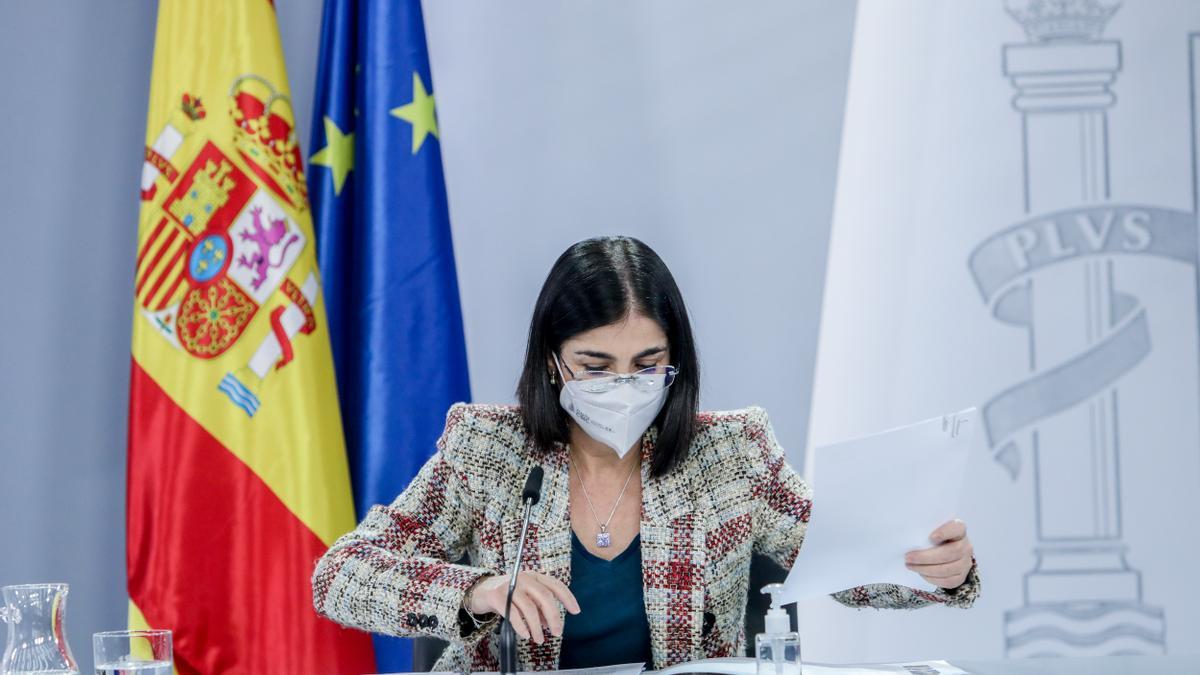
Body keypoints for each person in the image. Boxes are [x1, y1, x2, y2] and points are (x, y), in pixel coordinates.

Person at [311, 236, 980, 672]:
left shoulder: (732, 451)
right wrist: (478, 589)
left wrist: (934, 569)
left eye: (646, 362)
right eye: (595, 365)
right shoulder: (487, 447)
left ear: (675, 361)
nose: (622, 386)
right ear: (552, 362)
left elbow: (843, 562)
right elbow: (338, 575)